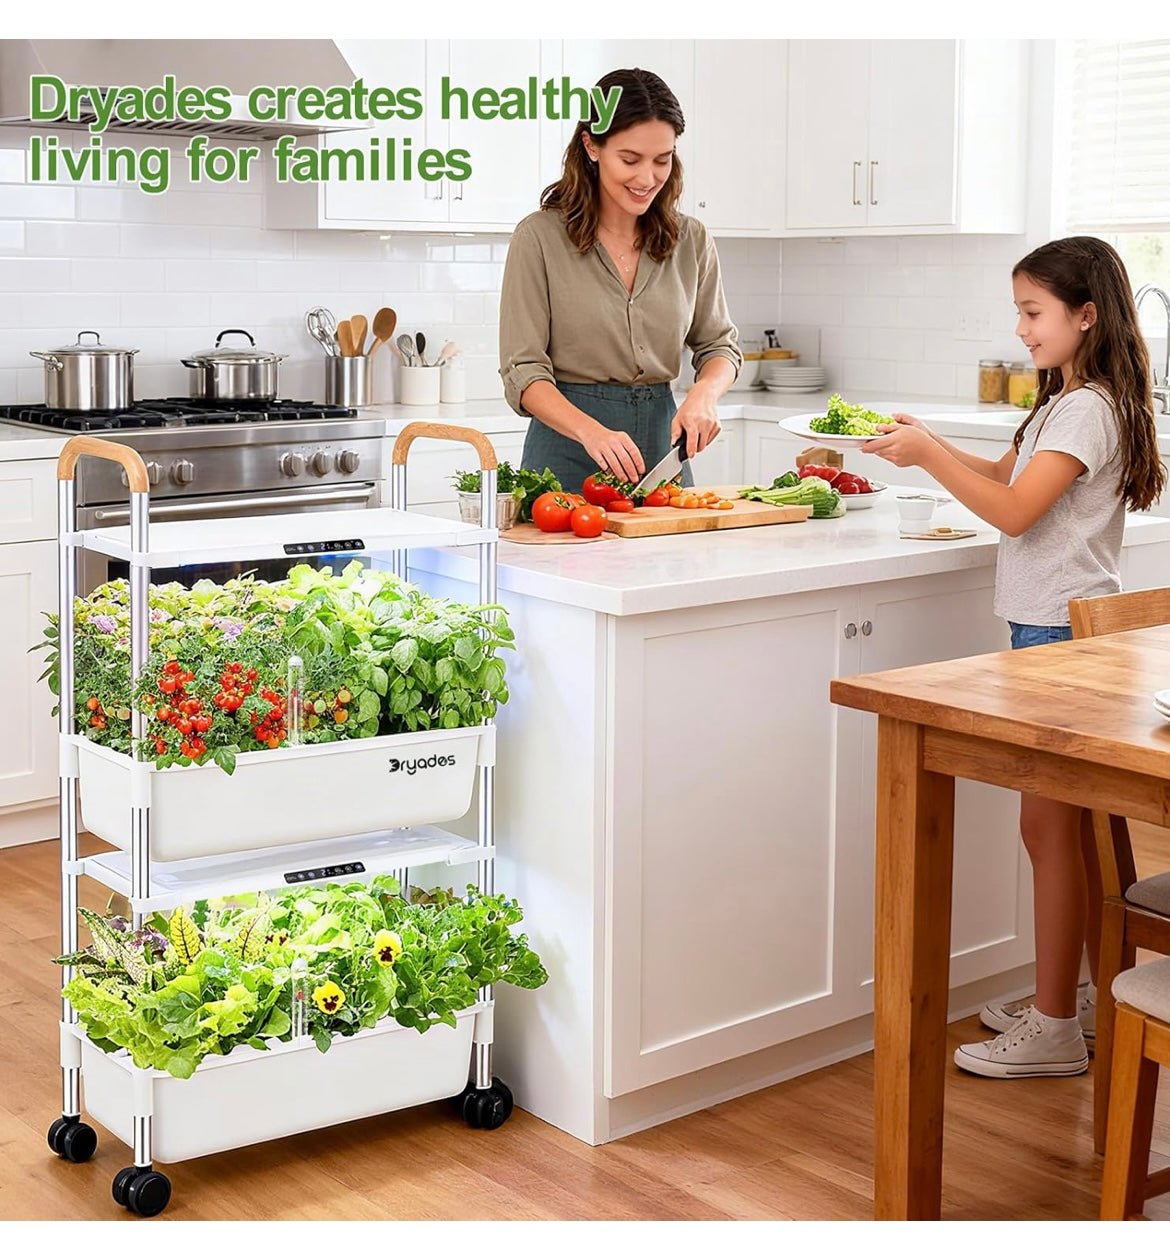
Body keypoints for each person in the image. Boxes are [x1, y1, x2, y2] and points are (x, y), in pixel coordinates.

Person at [861, 236, 1166, 1078]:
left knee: (1046, 830)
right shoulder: (1061, 400)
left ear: (1085, 315)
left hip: (1059, 643)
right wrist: (926, 444)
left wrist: (927, 459)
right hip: (1048, 633)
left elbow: (1016, 512)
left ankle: (1058, 1024)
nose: (1023, 329)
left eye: (1033, 313)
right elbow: (1002, 471)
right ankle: (1070, 995)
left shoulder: (1087, 409)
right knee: (1053, 831)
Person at [498, 68, 742, 494]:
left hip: (664, 448)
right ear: (591, 146)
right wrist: (590, 431)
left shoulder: (692, 240)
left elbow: (719, 345)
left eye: (662, 160)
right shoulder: (539, 238)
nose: (647, 178)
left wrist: (704, 395)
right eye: (630, 159)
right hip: (567, 451)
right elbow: (523, 371)